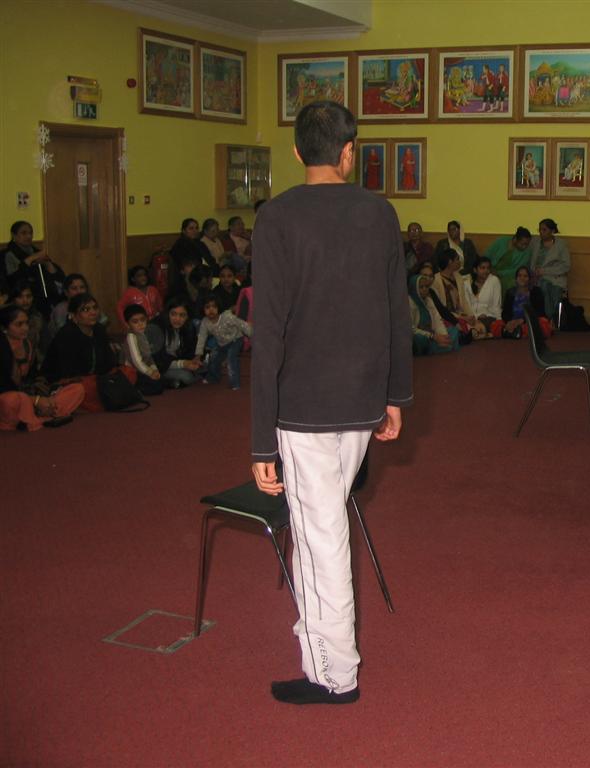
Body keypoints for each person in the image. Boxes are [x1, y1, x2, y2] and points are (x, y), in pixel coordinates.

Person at [251, 101, 412, 706]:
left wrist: (261, 442)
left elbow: (267, 334)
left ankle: (333, 675)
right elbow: (397, 312)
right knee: (322, 526)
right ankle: (321, 648)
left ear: (297, 152)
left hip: (304, 409)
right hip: (362, 397)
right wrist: (395, 396)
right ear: (349, 152)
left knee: (321, 537)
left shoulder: (276, 216)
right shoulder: (379, 212)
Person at [42, 293, 137, 412]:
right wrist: (98, 380)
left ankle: (105, 398)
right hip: (71, 380)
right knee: (82, 389)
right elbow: (67, 372)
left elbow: (109, 362)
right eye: (86, 310)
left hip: (97, 378)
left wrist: (107, 377)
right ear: (73, 316)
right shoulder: (66, 335)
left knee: (129, 372)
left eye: (95, 308)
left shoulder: (99, 330)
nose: (93, 313)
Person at [0, 305, 83, 430]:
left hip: (29, 395)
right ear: (4, 328)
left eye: (26, 323)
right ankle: (36, 418)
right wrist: (35, 400)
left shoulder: (28, 345)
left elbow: (34, 377)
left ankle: (43, 413)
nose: (25, 328)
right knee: (15, 399)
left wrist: (42, 398)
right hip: (10, 399)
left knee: (77, 389)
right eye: (19, 324)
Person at [193, 296, 251, 390]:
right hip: (222, 343)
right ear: (202, 309)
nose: (211, 310)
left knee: (231, 357)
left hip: (236, 340)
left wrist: (251, 334)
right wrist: (198, 355)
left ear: (219, 307)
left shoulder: (227, 317)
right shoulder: (205, 322)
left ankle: (235, 383)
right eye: (207, 307)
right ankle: (213, 378)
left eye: (214, 307)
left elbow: (241, 324)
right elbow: (201, 338)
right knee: (214, 358)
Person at [147, 296, 201, 388]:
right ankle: (166, 382)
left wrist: (195, 359)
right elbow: (158, 360)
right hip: (156, 366)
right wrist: (182, 364)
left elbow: (190, 350)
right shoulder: (156, 327)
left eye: (182, 315)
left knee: (204, 367)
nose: (177, 319)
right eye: (173, 314)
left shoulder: (189, 327)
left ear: (188, 316)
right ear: (167, 313)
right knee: (187, 377)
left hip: (176, 362)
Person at [528, 218, 571, 320]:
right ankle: (540, 319)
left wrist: (544, 271)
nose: (541, 232)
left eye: (544, 230)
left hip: (554, 278)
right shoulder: (535, 242)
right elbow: (529, 260)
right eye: (540, 230)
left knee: (548, 287)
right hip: (535, 277)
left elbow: (566, 265)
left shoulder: (561, 245)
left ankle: (550, 317)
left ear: (552, 231)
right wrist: (533, 273)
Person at [496, 266, 550, 339]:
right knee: (495, 324)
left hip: (528, 322)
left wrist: (522, 320)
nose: (522, 278)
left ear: (530, 279)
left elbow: (539, 312)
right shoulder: (510, 292)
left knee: (543, 323)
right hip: (512, 321)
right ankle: (515, 332)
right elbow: (505, 313)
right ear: (516, 278)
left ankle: (514, 332)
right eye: (520, 276)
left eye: (525, 276)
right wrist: (510, 322)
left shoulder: (536, 291)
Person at [409, 273, 457, 355]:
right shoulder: (409, 303)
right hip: (422, 335)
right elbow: (411, 329)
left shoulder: (428, 300)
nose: (425, 289)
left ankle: (443, 345)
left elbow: (437, 320)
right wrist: (432, 336)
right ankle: (437, 348)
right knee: (418, 339)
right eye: (421, 287)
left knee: (453, 330)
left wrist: (444, 336)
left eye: (426, 286)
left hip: (433, 334)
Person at [121, 304, 163, 396]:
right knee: (157, 386)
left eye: (143, 320)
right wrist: (150, 373)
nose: (140, 324)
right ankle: (133, 391)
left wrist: (155, 370)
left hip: (143, 370)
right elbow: (136, 362)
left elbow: (149, 358)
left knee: (159, 377)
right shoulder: (131, 337)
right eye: (135, 322)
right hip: (133, 372)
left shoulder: (144, 334)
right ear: (128, 324)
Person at [485, 227, 533, 293]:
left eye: (527, 244)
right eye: (522, 244)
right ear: (515, 239)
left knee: (510, 284)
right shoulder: (501, 241)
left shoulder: (527, 252)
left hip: (508, 275)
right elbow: (487, 255)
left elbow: (518, 269)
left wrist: (499, 274)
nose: (524, 247)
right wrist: (488, 269)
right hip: (489, 269)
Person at [466, 256, 502, 332]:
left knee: (475, 329)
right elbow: (466, 306)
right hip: (471, 318)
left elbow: (496, 305)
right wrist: (476, 316)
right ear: (475, 270)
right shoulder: (466, 283)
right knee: (465, 327)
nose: (486, 271)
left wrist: (499, 321)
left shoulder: (494, 281)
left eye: (488, 268)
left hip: (489, 317)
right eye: (483, 268)